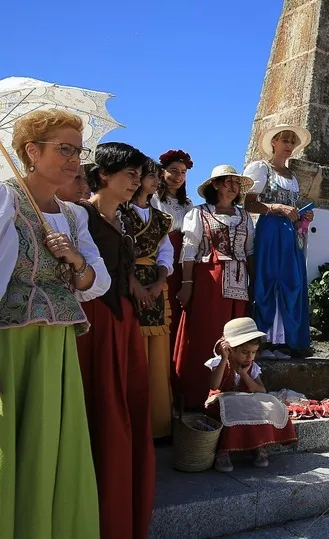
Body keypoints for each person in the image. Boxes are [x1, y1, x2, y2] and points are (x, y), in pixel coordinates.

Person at [0, 109, 105, 538]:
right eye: (64, 149)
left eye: (78, 151)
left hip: (58, 342)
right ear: (31, 151)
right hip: (14, 344)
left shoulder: (74, 216)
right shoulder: (6, 200)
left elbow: (95, 283)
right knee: (15, 441)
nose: (74, 160)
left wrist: (75, 259)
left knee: (53, 441)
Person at [77, 142, 156, 538]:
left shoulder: (121, 218)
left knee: (127, 401)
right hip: (96, 320)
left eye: (139, 175)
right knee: (103, 404)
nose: (136, 181)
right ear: (104, 175)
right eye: (129, 174)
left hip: (122, 320)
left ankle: (126, 491)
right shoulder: (80, 215)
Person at [174, 165, 256, 410]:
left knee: (237, 336)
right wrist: (187, 284)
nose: (233, 187)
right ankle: (198, 395)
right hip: (209, 281)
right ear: (216, 185)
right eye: (228, 182)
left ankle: (231, 393)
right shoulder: (199, 214)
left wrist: (254, 283)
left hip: (239, 283)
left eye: (236, 183)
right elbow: (189, 250)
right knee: (207, 333)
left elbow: (249, 251)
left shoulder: (244, 216)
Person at [242, 125, 314, 358]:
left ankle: (286, 341)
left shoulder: (292, 177)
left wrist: (302, 215)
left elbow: (291, 209)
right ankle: (265, 341)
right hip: (271, 231)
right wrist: (277, 207)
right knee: (270, 279)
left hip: (290, 234)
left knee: (291, 281)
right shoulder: (262, 169)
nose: (289, 145)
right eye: (285, 140)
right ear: (273, 142)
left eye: (292, 142)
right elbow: (249, 203)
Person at [123, 157, 175, 439]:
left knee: (157, 357)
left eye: (157, 176)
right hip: (127, 285)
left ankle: (158, 425)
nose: (156, 181)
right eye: (150, 175)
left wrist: (161, 281)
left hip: (155, 285)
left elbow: (166, 252)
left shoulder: (161, 218)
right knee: (133, 353)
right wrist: (133, 282)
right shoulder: (120, 212)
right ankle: (132, 426)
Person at [206, 317, 298, 472]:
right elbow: (214, 385)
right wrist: (223, 359)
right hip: (221, 404)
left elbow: (261, 390)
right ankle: (223, 451)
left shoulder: (252, 367)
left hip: (245, 404)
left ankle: (259, 445)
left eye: (253, 352)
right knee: (232, 405)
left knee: (269, 402)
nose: (249, 357)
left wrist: (244, 375)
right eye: (244, 352)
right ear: (231, 349)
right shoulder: (219, 362)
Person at [152, 149, 194, 359]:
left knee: (179, 306)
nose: (178, 176)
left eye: (183, 172)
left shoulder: (188, 204)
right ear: (162, 172)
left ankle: (176, 359)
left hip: (182, 256)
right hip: (160, 252)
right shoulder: (153, 199)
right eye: (174, 171)